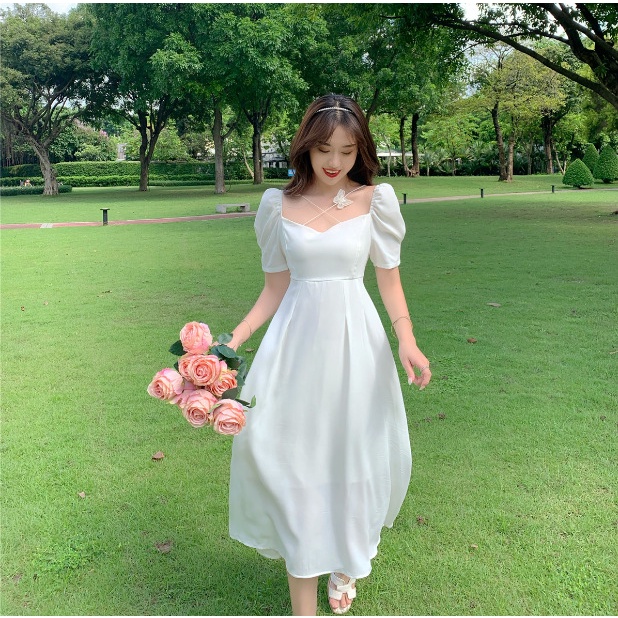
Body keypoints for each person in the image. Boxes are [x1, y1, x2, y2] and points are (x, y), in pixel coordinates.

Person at [226, 94, 431, 616]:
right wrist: (234, 338)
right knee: (284, 461)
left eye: (346, 150)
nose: (334, 161)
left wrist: (407, 340)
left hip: (355, 347)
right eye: (323, 150)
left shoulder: (375, 201)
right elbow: (274, 288)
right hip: (293, 350)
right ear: (306, 148)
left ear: (361, 150)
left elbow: (389, 281)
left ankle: (344, 560)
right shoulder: (278, 205)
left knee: (351, 458)